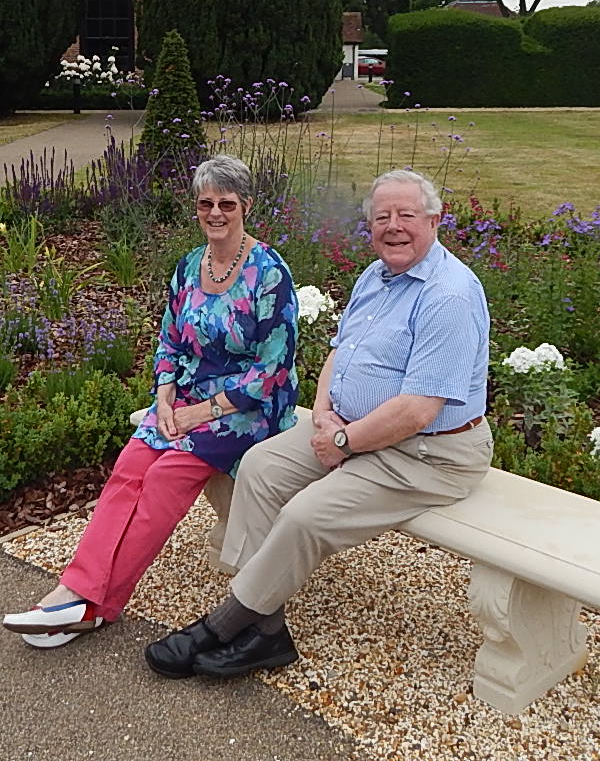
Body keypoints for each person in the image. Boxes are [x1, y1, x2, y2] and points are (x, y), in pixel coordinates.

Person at [144, 167, 491, 679]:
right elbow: (338, 352)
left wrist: (345, 441)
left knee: (305, 516)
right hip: (349, 428)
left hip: (427, 454)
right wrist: (326, 411)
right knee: (259, 467)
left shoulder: (449, 295)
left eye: (407, 215)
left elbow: (418, 410)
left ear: (435, 221)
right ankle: (266, 631)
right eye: (382, 217)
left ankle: (222, 624)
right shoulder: (376, 276)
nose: (393, 227)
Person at [2, 153, 299, 647]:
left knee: (164, 477)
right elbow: (169, 342)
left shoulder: (269, 273)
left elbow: (273, 371)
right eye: (205, 203)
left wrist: (199, 412)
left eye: (226, 203)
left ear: (246, 205)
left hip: (245, 410)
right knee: (130, 466)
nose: (215, 213)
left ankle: (95, 606)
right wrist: (163, 397)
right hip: (186, 401)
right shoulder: (188, 267)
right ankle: (75, 591)